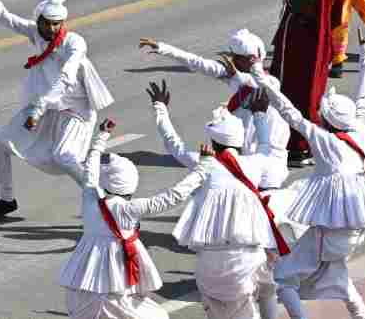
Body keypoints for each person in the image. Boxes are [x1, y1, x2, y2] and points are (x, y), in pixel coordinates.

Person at [244, 37, 365, 319]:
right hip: (355, 232)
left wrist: (259, 74)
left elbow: (289, 113)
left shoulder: (324, 141)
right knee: (339, 278)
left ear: (328, 121)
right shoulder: (358, 129)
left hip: (331, 234)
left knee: (283, 277)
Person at [0, 0, 114, 220]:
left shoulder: (74, 43)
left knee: (64, 156)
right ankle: (7, 200)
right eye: (47, 23)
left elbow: (65, 79)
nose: (51, 29)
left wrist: (39, 110)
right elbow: (2, 14)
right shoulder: (36, 34)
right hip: (46, 107)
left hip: (75, 108)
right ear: (38, 20)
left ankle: (102, 201)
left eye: (56, 24)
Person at [150, 97, 290, 319]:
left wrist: (161, 109)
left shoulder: (203, 163)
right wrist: (260, 116)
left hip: (209, 261)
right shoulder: (254, 163)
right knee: (267, 292)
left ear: (213, 143)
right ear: (240, 142)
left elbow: (173, 145)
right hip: (250, 257)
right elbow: (266, 147)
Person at [59, 118, 206, 319]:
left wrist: (101, 137)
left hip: (82, 288)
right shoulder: (127, 209)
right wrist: (202, 169)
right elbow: (172, 197)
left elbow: (90, 171)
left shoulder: (91, 197)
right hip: (110, 296)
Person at [137, 28, 289, 183]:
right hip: (246, 155)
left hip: (267, 158)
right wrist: (163, 48)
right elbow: (198, 63)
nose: (232, 60)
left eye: (236, 57)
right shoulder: (235, 75)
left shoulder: (269, 83)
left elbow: (256, 83)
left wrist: (237, 76)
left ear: (250, 60)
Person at [265, 0, 346, 166]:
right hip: (304, 40)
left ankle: (297, 148)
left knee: (290, 90)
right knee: (301, 91)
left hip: (298, 43)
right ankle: (302, 145)